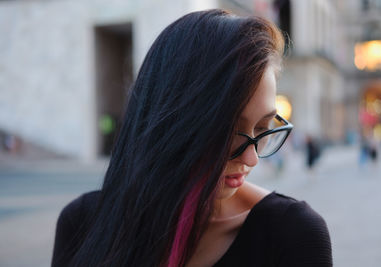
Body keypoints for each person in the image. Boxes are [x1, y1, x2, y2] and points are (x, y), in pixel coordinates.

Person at [51, 9, 332, 267]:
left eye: (263, 128)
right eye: (230, 133)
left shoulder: (294, 235)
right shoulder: (82, 223)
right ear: (176, 122)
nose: (252, 158)